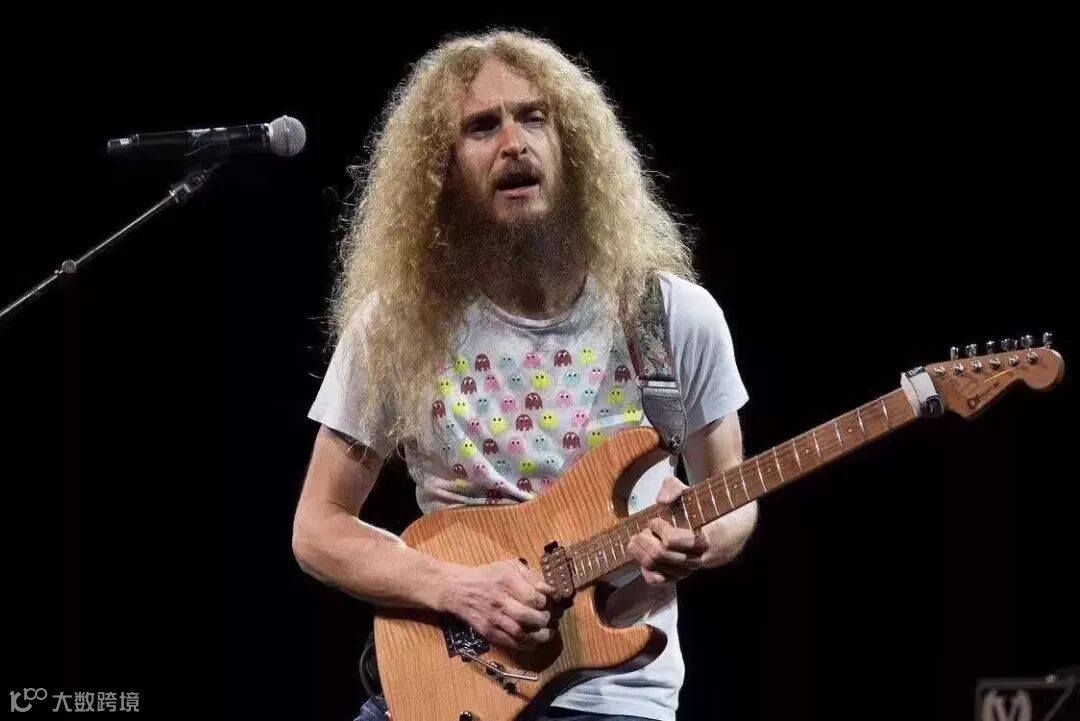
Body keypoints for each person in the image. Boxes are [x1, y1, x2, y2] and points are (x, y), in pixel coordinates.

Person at [292, 29, 759, 721]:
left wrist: (698, 541)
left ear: (574, 146)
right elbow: (318, 527)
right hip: (449, 682)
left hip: (615, 696)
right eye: (482, 126)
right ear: (442, 168)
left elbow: (733, 496)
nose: (514, 143)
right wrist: (455, 588)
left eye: (534, 117)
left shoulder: (669, 317)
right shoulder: (399, 325)